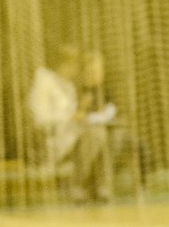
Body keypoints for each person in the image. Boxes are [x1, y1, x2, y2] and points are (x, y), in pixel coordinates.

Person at [27, 44, 109, 202]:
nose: (78, 71)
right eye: (76, 66)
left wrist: (81, 113)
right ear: (65, 64)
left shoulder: (69, 86)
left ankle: (98, 186)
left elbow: (73, 115)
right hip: (51, 142)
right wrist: (71, 118)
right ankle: (74, 185)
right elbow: (40, 119)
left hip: (71, 137)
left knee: (104, 134)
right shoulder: (44, 83)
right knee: (95, 136)